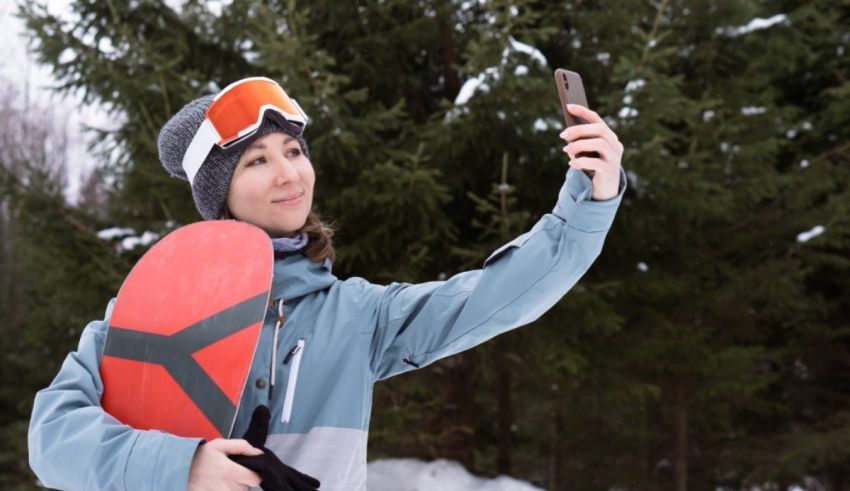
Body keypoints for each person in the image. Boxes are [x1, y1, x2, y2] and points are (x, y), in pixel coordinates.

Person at [28, 76, 626, 491]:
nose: (288, 173)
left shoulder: (357, 316)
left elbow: (500, 296)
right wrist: (184, 466)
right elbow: (52, 438)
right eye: (257, 161)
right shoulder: (150, 308)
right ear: (221, 196)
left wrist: (589, 199)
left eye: (293, 150)